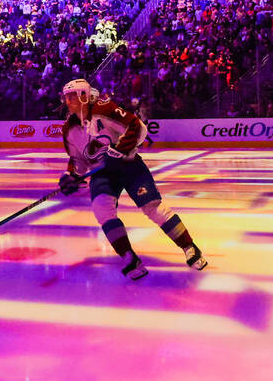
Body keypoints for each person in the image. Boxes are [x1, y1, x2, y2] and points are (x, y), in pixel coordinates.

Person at [57, 78, 207, 280]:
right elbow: (78, 160)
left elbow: (136, 126)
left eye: (71, 96)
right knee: (102, 210)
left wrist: (118, 151)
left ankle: (189, 246)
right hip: (102, 174)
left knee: (153, 208)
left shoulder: (105, 108)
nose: (67, 101)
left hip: (129, 165)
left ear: (84, 95)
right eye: (65, 97)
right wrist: (71, 176)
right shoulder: (69, 128)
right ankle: (129, 257)